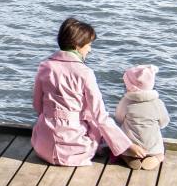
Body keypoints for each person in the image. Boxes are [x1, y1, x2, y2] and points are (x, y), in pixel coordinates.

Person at [31, 17, 147, 166]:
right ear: (78, 45)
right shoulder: (85, 73)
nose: (90, 49)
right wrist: (128, 144)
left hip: (42, 146)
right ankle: (124, 151)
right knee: (95, 127)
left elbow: (37, 106)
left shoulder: (45, 67)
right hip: (72, 151)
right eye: (89, 45)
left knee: (84, 118)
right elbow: (100, 117)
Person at [114, 64, 170, 171]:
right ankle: (157, 158)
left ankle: (129, 158)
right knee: (160, 153)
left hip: (132, 148)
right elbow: (164, 122)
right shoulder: (157, 103)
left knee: (124, 151)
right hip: (153, 147)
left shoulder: (126, 102)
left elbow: (118, 119)